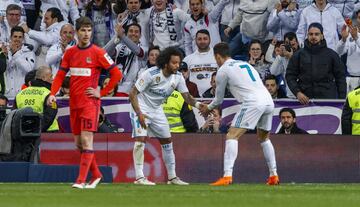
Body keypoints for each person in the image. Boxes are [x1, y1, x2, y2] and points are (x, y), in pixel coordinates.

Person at [47, 17, 122, 189]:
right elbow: (60, 75)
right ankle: (96, 175)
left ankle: (80, 181)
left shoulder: (98, 52)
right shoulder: (70, 53)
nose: (86, 34)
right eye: (83, 30)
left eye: (89, 30)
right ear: (76, 32)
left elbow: (117, 74)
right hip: (74, 103)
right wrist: (52, 93)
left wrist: (101, 92)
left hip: (90, 104)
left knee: (87, 142)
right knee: (79, 144)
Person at [199, 42, 279, 186]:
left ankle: (227, 176)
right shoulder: (244, 64)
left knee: (231, 135)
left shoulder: (223, 70)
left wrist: (207, 107)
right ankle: (274, 175)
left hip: (252, 102)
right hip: (268, 100)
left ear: (217, 56)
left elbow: (219, 99)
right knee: (264, 138)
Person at [128, 46, 202, 185]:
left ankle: (172, 178)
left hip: (157, 110)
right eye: (174, 63)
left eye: (178, 63)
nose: (177, 65)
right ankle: (139, 177)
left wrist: (199, 106)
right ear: (166, 62)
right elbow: (132, 94)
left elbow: (187, 97)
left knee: (167, 141)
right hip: (141, 108)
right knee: (141, 140)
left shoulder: (178, 77)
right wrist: (139, 114)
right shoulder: (150, 74)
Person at [286, 23, 346, 104]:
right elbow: (290, 76)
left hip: (328, 100)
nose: (313, 36)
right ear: (307, 35)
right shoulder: (298, 55)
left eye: (316, 34)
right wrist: (297, 93)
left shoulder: (332, 55)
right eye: (311, 34)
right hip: (304, 100)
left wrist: (342, 100)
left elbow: (340, 78)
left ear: (322, 36)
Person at [104, 23, 146, 96]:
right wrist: (116, 37)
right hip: (116, 89)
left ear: (140, 35)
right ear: (126, 33)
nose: (133, 33)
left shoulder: (145, 49)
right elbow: (104, 53)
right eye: (131, 31)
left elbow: (137, 51)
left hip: (133, 91)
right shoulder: (120, 47)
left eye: (136, 32)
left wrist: (122, 36)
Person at [14, 66, 59, 132]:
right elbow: (50, 115)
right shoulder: (49, 94)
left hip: (24, 132)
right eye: (51, 76)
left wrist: (28, 130)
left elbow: (15, 116)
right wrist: (37, 130)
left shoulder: (20, 94)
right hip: (49, 132)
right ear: (43, 78)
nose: (53, 79)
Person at [183, 29, 218, 96]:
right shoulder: (187, 59)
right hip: (193, 98)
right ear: (195, 41)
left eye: (205, 39)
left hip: (213, 97)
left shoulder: (217, 57)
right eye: (199, 39)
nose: (202, 41)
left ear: (210, 40)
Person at [3, 26, 36, 98]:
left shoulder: (29, 52)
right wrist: (4, 56)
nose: (17, 39)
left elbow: (29, 70)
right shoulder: (5, 51)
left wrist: (15, 54)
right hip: (7, 93)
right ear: (10, 37)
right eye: (15, 36)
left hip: (23, 93)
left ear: (23, 38)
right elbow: (3, 69)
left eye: (20, 37)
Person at [336, 10, 360, 93]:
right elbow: (338, 52)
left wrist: (356, 38)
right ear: (357, 19)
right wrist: (343, 39)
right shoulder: (350, 33)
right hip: (351, 78)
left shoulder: (354, 35)